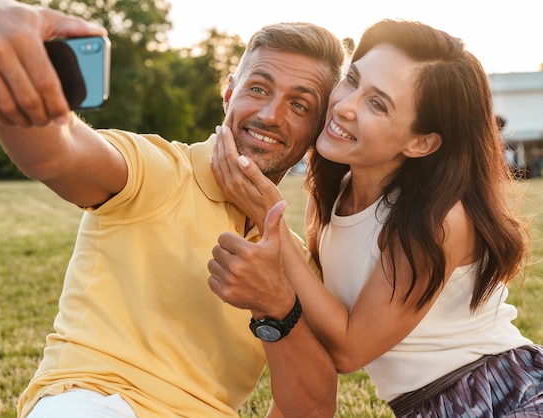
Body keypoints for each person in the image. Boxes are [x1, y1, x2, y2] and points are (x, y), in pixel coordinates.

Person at [0, 0, 346, 417]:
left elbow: (310, 410)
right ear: (229, 93)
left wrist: (277, 304)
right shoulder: (158, 169)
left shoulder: (296, 262)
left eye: (299, 105)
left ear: (317, 131)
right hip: (96, 402)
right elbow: (56, 151)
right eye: (258, 89)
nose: (270, 114)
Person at [208, 19, 543, 417]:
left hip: (502, 394)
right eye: (351, 80)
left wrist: (269, 216)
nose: (345, 106)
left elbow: (349, 349)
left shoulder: (439, 220)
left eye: (377, 104)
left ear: (421, 142)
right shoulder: (328, 194)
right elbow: (313, 326)